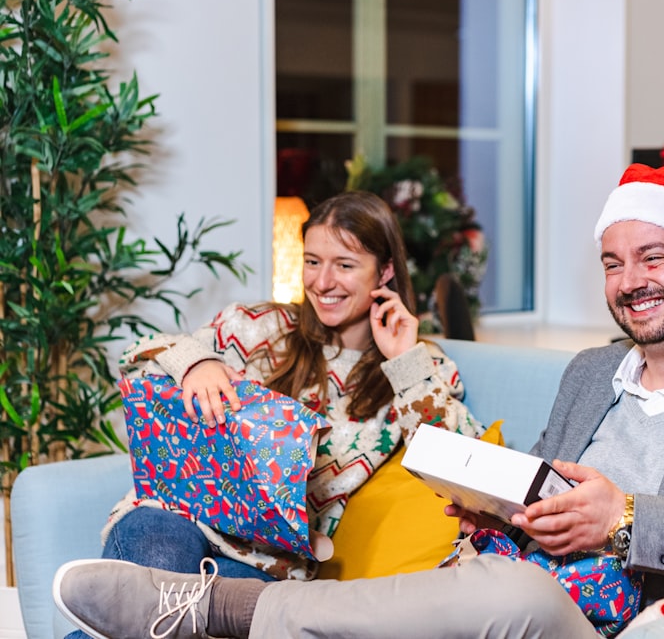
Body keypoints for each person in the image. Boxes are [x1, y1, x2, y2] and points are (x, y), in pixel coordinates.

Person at [54, 162, 664, 639]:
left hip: (591, 608)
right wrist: (495, 505)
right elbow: (530, 479)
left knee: (516, 591)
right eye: (613, 263)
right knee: (494, 575)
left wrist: (623, 519)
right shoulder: (588, 373)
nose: (630, 282)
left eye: (654, 257)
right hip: (487, 573)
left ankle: (226, 612)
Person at [61, 190, 484, 638]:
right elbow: (138, 357)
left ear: (384, 271)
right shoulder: (255, 325)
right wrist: (196, 362)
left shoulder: (419, 365)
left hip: (269, 570)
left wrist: (402, 361)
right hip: (173, 518)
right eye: (312, 261)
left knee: (149, 620)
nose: (322, 281)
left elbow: (460, 461)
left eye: (344, 264)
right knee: (159, 576)